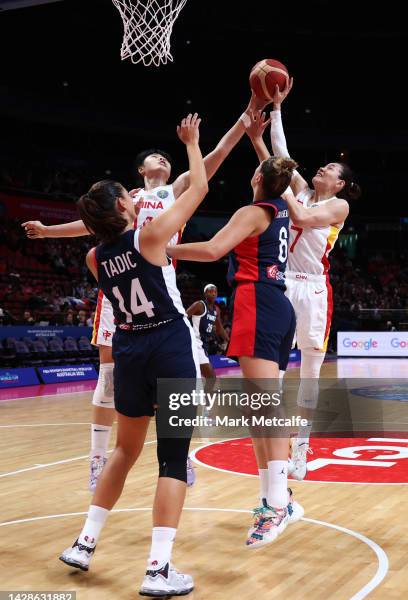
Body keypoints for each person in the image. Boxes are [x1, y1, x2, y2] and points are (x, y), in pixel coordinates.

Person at [22, 93, 267, 491]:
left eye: (166, 157)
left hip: (160, 285)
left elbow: (220, 151)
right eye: (155, 157)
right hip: (122, 287)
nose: (163, 159)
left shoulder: (177, 187)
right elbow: (89, 226)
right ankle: (97, 460)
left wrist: (246, 116)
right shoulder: (125, 200)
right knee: (108, 379)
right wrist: (49, 231)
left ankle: (180, 454)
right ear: (140, 170)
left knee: (179, 379)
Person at [60, 113, 207, 597]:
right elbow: (200, 188)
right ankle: (159, 569)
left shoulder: (92, 257)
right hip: (168, 344)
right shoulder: (149, 238)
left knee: (124, 450)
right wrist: (192, 144)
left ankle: (85, 542)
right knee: (171, 458)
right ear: (125, 204)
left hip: (128, 349)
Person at [167, 154, 304, 548]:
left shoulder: (254, 209)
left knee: (264, 406)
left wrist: (163, 249)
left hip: (259, 301)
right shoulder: (281, 207)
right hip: (275, 304)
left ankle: (279, 504)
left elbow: (212, 250)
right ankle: (273, 499)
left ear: (257, 175)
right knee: (259, 409)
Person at [245, 82, 361, 479]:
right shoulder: (302, 189)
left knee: (308, 375)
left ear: (340, 183)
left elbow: (301, 217)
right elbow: (282, 157)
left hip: (313, 289)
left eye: (330, 170)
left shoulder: (337, 205)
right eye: (323, 167)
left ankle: (302, 449)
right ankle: (278, 447)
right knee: (274, 372)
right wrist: (274, 113)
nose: (322, 169)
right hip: (282, 283)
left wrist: (280, 183)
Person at [186, 283, 229, 379]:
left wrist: (229, 340)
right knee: (211, 378)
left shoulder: (216, 310)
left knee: (202, 377)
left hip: (204, 344)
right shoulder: (199, 305)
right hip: (195, 343)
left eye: (215, 291)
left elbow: (219, 328)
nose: (213, 293)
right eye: (210, 291)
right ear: (205, 294)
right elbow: (183, 318)